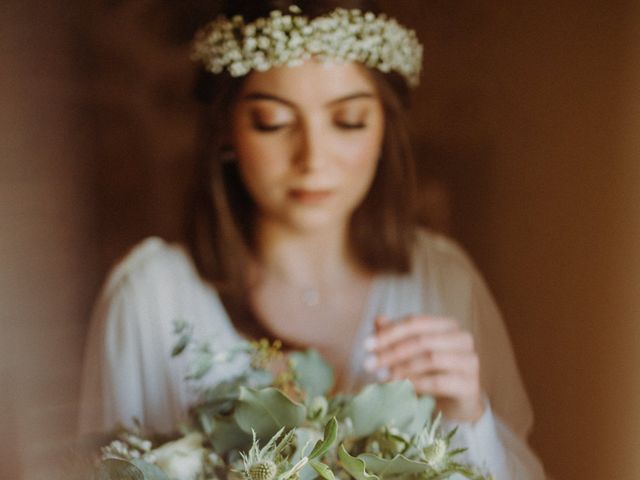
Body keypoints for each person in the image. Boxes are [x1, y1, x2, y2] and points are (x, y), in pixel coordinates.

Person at [79, 1, 547, 478]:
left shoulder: (442, 281)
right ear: (227, 130)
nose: (313, 158)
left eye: (348, 121)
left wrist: (466, 416)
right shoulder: (149, 298)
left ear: (384, 129)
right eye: (273, 123)